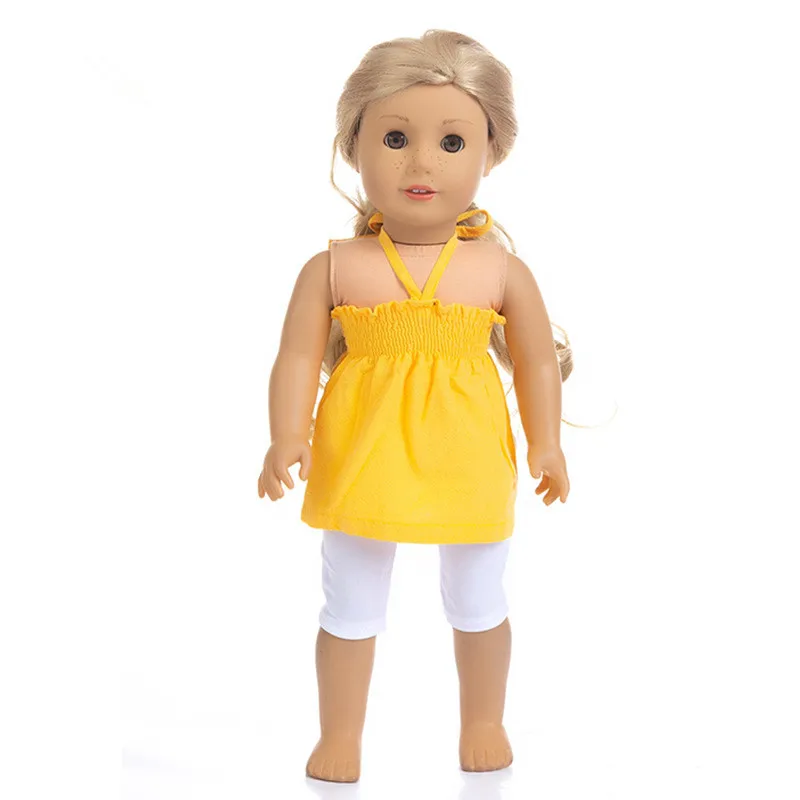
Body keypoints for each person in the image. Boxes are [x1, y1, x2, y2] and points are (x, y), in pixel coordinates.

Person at [257, 29, 571, 784]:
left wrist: (547, 444)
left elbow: (535, 360)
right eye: (395, 138)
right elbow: (296, 357)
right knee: (349, 600)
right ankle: (340, 734)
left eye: (452, 142)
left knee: (479, 597)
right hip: (361, 458)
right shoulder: (334, 267)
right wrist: (286, 435)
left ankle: (484, 719)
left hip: (468, 461)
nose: (422, 163)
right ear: (353, 145)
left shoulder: (500, 269)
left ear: (490, 153)